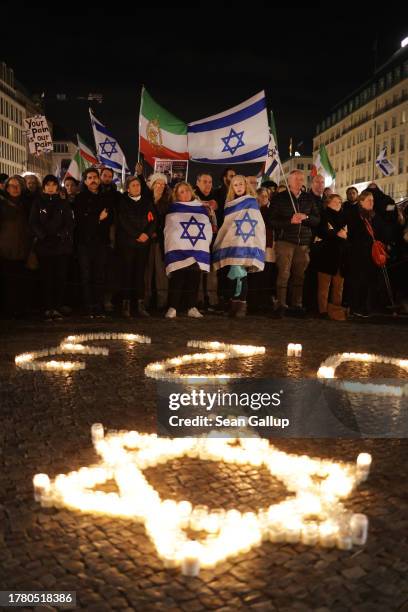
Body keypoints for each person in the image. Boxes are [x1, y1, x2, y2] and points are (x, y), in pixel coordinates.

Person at [266, 170, 320, 317]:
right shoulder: (279, 198)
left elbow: (317, 219)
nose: (299, 181)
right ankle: (281, 304)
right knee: (284, 274)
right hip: (285, 241)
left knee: (300, 275)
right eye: (295, 179)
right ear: (289, 181)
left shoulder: (309, 199)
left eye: (301, 179)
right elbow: (271, 221)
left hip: (303, 243)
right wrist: (289, 221)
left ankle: (297, 304)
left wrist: (306, 216)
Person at [212, 175, 266, 317]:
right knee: (232, 275)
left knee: (241, 275)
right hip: (233, 243)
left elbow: (256, 223)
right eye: (235, 185)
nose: (238, 187)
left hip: (247, 243)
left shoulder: (251, 202)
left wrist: (250, 241)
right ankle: (233, 304)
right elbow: (228, 225)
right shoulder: (230, 204)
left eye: (241, 184)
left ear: (246, 185)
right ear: (232, 188)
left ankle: (241, 305)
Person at [164, 182, 212, 318]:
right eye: (181, 192)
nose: (185, 193)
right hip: (179, 249)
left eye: (186, 190)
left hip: (197, 249)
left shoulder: (201, 208)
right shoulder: (173, 209)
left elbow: (206, 227)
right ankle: (173, 307)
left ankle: (192, 306)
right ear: (176, 195)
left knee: (194, 278)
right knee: (178, 278)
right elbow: (169, 230)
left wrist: (203, 244)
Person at [29, 175, 74, 320]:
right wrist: (43, 235)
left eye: (53, 185)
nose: (50, 187)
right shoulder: (37, 203)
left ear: (57, 187)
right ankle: (48, 307)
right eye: (47, 185)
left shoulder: (63, 203)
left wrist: (61, 234)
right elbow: (33, 222)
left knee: (60, 277)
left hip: (61, 247)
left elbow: (70, 223)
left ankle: (58, 305)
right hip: (44, 247)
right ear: (43, 187)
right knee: (46, 277)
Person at [72, 168, 114, 317]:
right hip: (84, 243)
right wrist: (97, 218)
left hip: (101, 242)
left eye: (95, 177)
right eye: (89, 178)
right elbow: (79, 220)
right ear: (85, 181)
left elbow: (109, 219)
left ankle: (99, 305)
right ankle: (89, 306)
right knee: (86, 275)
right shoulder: (80, 198)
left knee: (100, 275)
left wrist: (96, 219)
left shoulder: (105, 197)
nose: (93, 180)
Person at [116, 176, 156, 317]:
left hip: (143, 244)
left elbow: (153, 220)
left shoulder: (147, 202)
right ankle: (125, 305)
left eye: (138, 185)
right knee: (127, 273)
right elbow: (123, 221)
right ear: (128, 188)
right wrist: (137, 235)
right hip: (127, 244)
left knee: (140, 274)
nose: (136, 187)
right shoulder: (122, 202)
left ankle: (139, 304)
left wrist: (146, 234)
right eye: (133, 185)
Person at [347, 190, 384, 317]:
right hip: (358, 254)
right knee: (358, 282)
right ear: (361, 201)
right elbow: (351, 235)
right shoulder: (354, 215)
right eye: (369, 200)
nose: (372, 202)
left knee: (370, 282)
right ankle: (356, 307)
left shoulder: (374, 215)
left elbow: (380, 231)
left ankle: (366, 306)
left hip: (371, 254)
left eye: (373, 200)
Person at [0, 176, 31, 317]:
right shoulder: (2, 204)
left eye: (18, 186)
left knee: (21, 280)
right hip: (5, 248)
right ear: (7, 188)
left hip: (23, 247)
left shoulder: (26, 203)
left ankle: (20, 308)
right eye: (12, 186)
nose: (15, 189)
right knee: (7, 280)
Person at [314, 194, 349, 319]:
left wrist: (341, 235)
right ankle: (322, 310)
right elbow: (323, 231)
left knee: (338, 286)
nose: (338, 204)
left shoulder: (344, 217)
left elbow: (346, 233)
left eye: (340, 202)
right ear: (328, 203)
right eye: (335, 201)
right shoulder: (323, 215)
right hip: (326, 255)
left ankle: (335, 309)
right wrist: (336, 234)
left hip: (340, 257)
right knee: (324, 286)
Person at [145, 172, 171, 310]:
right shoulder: (145, 200)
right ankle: (145, 301)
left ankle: (162, 301)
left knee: (161, 272)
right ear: (152, 185)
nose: (160, 186)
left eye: (162, 184)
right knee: (146, 272)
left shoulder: (168, 202)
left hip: (161, 241)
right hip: (147, 241)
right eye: (157, 183)